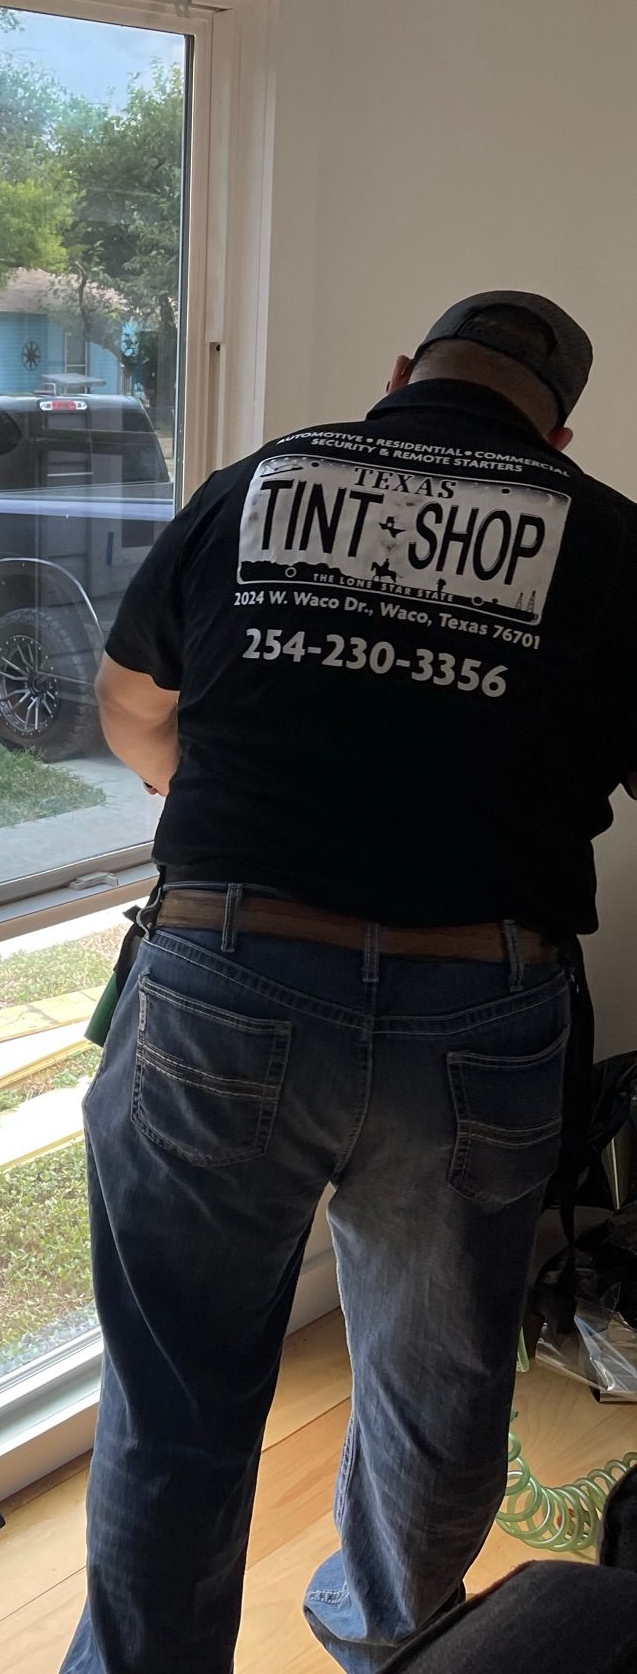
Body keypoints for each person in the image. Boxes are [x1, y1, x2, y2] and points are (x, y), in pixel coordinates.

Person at [61, 293, 637, 1673]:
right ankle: (391, 1649)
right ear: (555, 429)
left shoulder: (255, 485)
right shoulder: (611, 538)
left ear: (399, 377)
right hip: (479, 1013)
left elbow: (133, 706)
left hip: (222, 980)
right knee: (439, 1398)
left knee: (176, 1400)